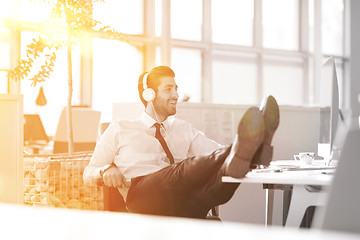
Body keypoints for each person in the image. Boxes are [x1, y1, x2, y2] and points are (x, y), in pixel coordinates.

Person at [83, 66, 280, 218]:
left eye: (176, 89)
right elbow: (88, 172)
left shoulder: (182, 128)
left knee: (220, 179)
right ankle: (254, 150)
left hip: (180, 200)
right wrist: (105, 169)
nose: (176, 95)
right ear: (149, 95)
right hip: (142, 196)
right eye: (168, 89)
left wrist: (236, 156)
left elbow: (214, 154)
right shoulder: (120, 128)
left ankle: (252, 154)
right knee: (183, 169)